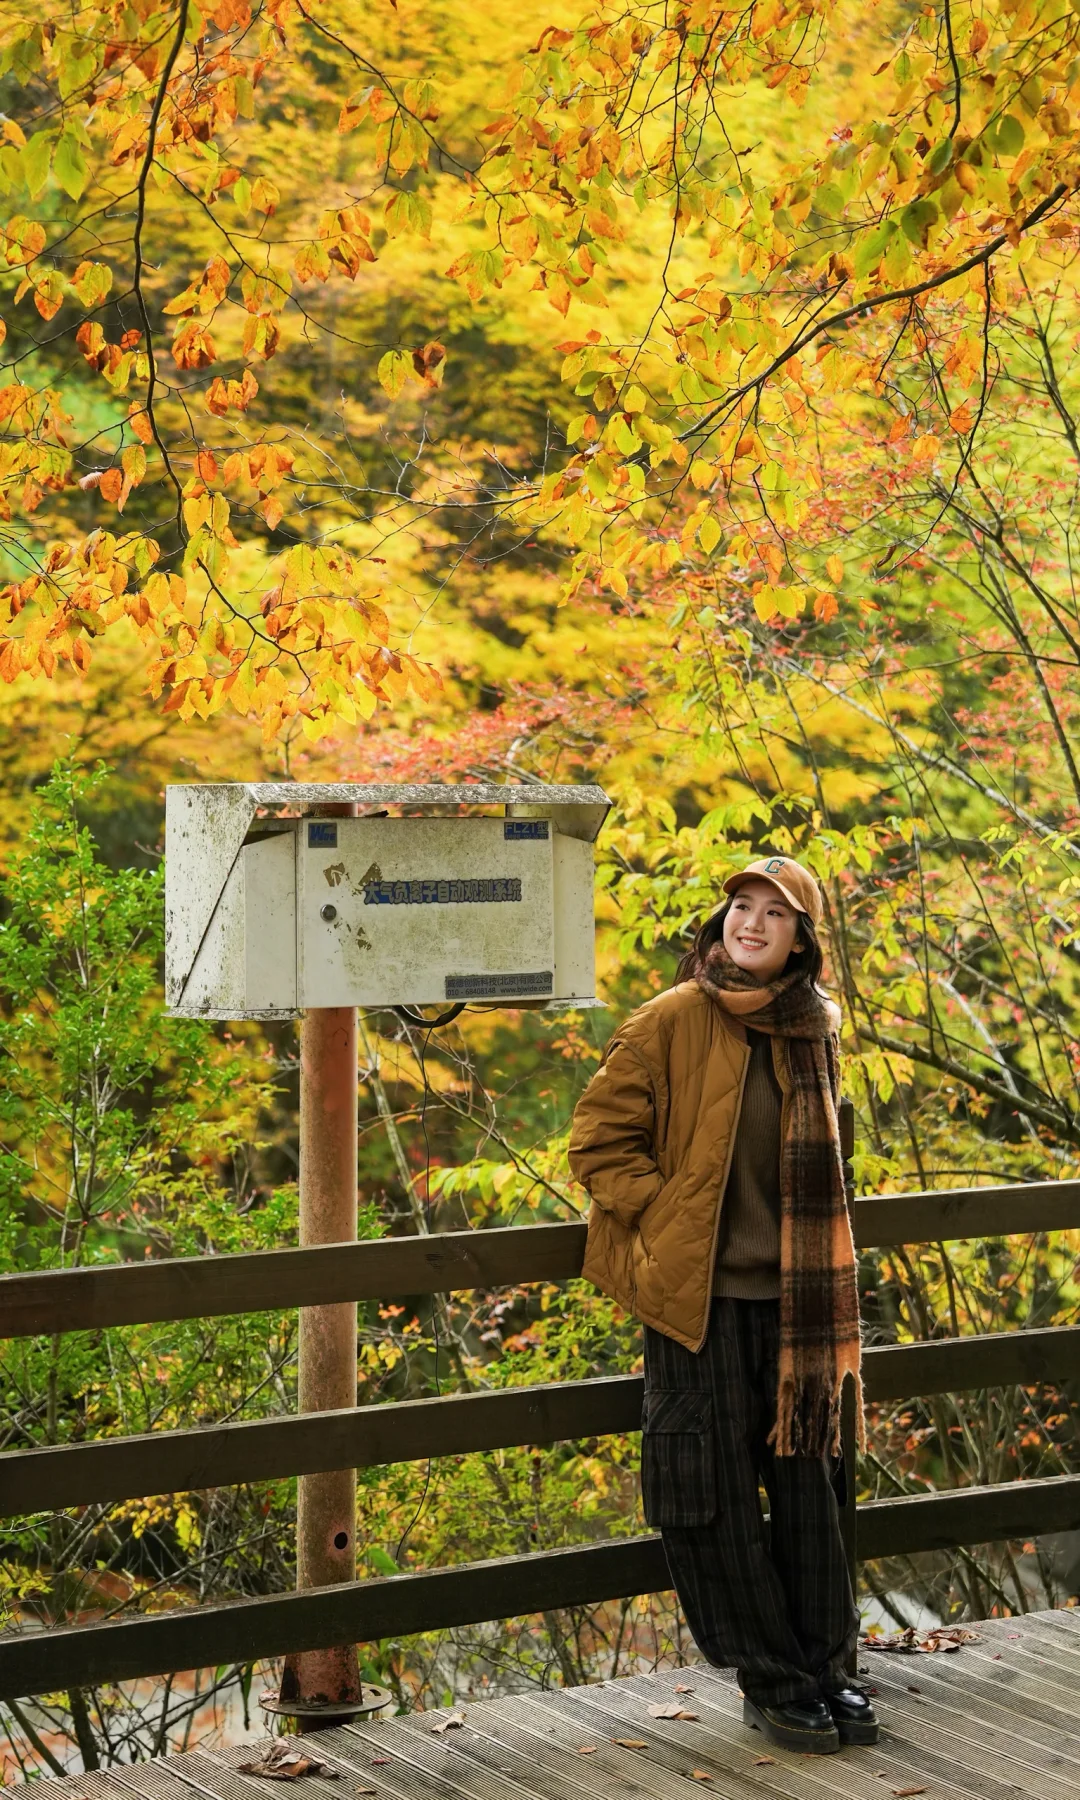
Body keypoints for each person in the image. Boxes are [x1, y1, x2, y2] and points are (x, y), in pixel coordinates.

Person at [569, 854, 875, 1755]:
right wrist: (668, 1215)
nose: (752, 923)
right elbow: (596, 1142)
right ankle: (774, 1680)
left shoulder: (813, 1028)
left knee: (811, 1492)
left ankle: (828, 1669)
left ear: (801, 943)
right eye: (742, 907)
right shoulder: (673, 1017)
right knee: (716, 1502)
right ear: (721, 922)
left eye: (774, 915)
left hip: (795, 1306)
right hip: (695, 1303)